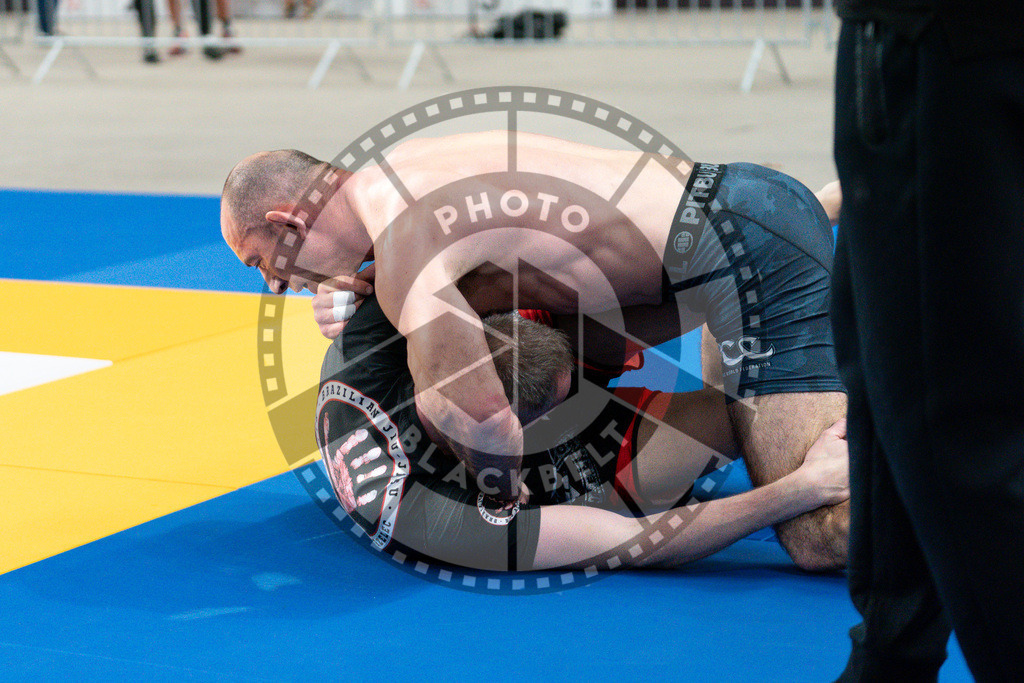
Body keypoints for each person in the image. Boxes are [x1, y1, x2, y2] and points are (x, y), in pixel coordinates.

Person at [220, 133, 849, 570]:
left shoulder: (406, 247)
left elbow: (483, 416)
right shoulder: (398, 175)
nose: (274, 287)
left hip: (752, 256)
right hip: (730, 216)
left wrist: (502, 495)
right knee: (518, 305)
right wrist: (338, 298)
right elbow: (445, 284)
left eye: (263, 264)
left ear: (291, 224)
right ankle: (819, 234)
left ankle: (889, 422)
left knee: (819, 539)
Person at [315, 293, 849, 571]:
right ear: (521, 433)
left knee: (708, 274)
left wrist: (338, 282)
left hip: (511, 371)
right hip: (588, 476)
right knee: (738, 412)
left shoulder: (366, 349)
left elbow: (401, 238)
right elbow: (641, 545)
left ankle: (768, 243)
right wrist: (800, 489)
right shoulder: (444, 521)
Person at [831, 1, 1024, 680]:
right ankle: (888, 658)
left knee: (950, 412)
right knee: (882, 368)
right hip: (950, 38)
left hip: (940, 35)